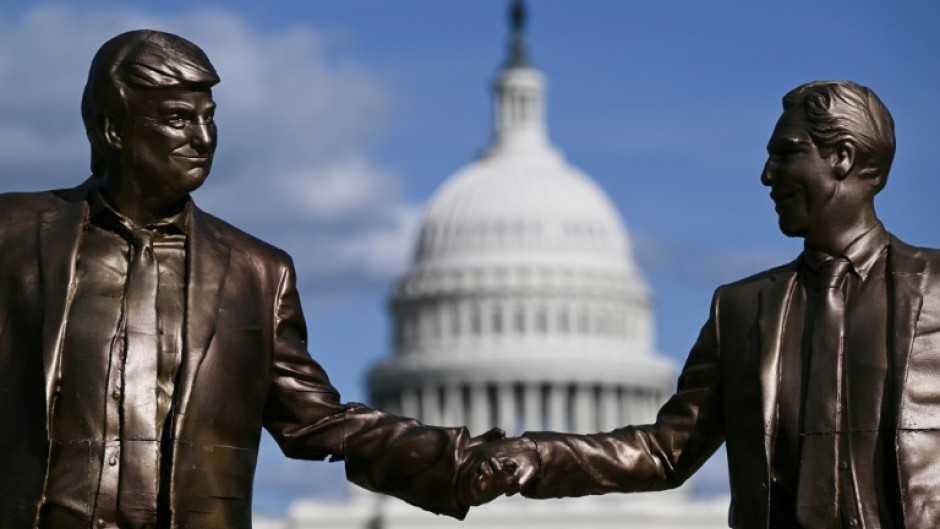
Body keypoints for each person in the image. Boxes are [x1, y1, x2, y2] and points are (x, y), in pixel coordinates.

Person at [0, 30, 495, 529]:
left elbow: (317, 423)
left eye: (209, 119)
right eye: (178, 119)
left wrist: (472, 460)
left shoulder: (257, 273)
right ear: (112, 130)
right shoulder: (12, 235)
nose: (204, 139)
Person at [461, 80, 940, 529]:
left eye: (786, 155)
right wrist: (535, 455)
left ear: (842, 156)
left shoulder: (934, 288)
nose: (766, 175)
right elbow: (665, 451)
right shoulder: (741, 310)